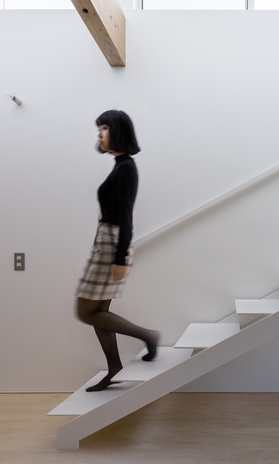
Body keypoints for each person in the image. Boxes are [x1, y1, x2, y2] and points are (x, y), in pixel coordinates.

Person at [75, 110, 159, 392]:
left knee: (85, 312)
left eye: (104, 128)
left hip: (112, 244)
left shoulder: (125, 168)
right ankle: (114, 368)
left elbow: (125, 216)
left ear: (118, 131)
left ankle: (147, 336)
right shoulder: (120, 165)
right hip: (107, 241)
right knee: (99, 311)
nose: (99, 134)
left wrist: (120, 257)